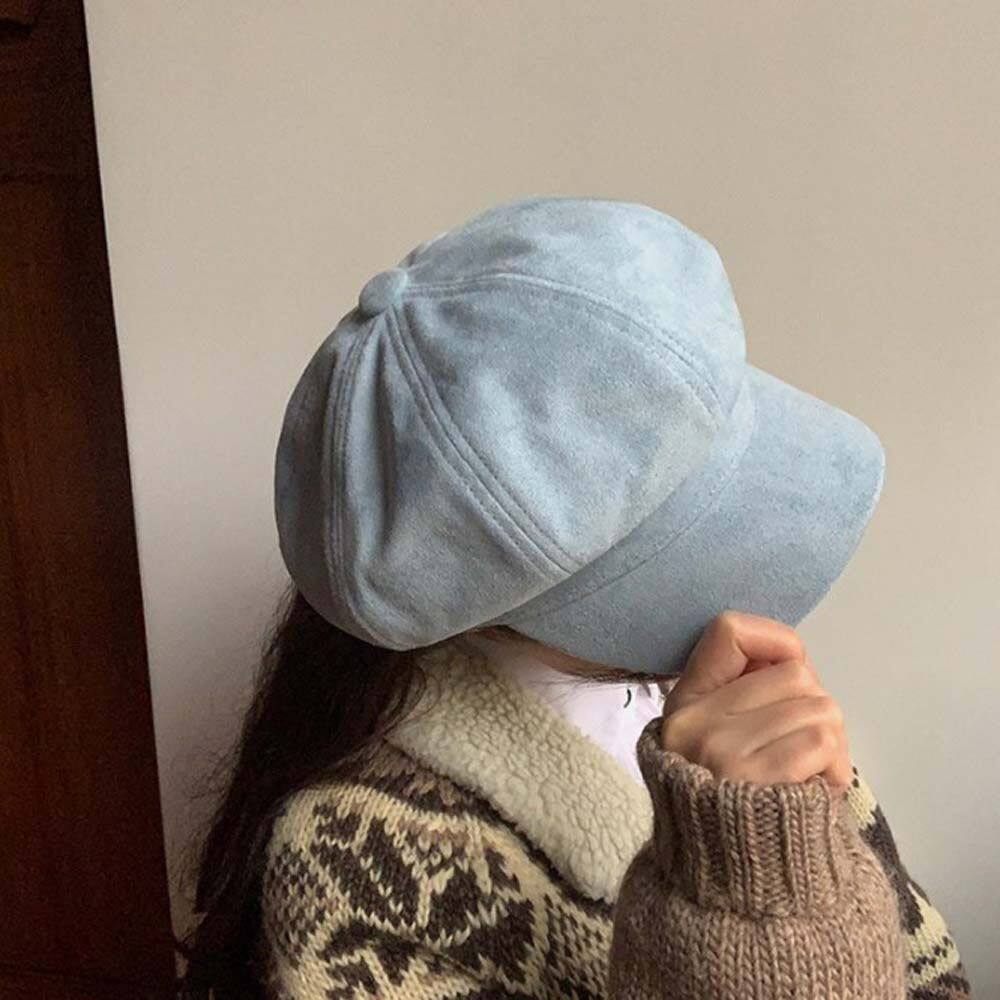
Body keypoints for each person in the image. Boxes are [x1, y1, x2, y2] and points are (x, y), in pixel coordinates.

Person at [176, 197, 972, 999]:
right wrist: (748, 897)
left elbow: (933, 977)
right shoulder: (353, 865)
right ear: (495, 601)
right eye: (680, 534)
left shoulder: (719, 698)